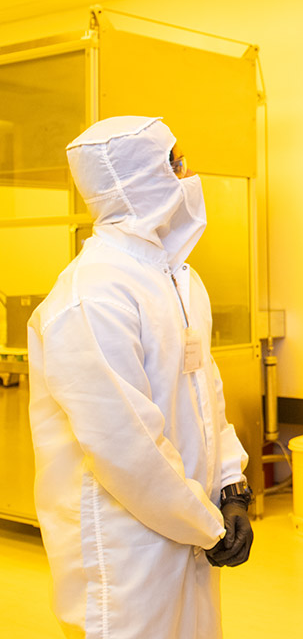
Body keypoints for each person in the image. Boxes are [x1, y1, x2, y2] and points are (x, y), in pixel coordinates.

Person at [28, 116, 253, 639]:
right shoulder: (93, 295)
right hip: (125, 551)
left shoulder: (176, 276)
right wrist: (204, 522)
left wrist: (229, 485)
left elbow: (205, 392)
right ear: (138, 179)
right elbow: (127, 447)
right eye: (176, 163)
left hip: (188, 528)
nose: (188, 174)